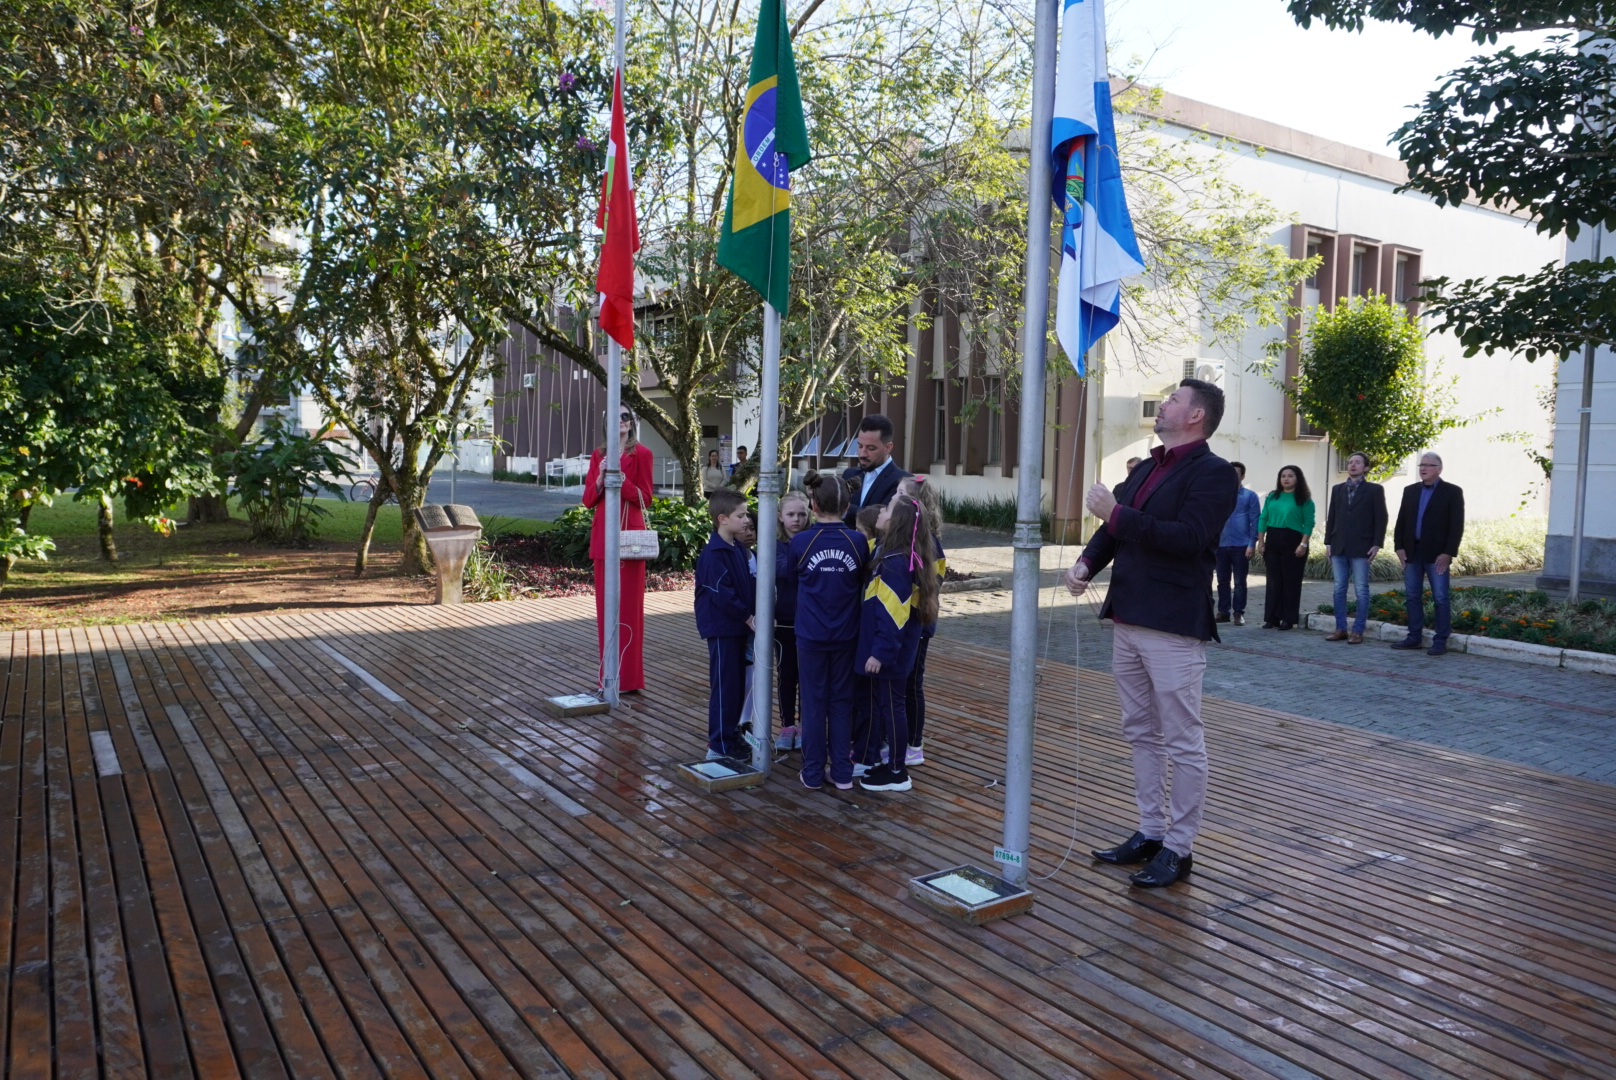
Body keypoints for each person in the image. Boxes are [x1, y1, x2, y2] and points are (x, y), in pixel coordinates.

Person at [1063, 378, 1237, 888]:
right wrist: (1086, 563)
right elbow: (1111, 529)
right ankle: (1151, 832)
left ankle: (1179, 849)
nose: (1163, 405)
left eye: (1174, 400)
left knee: (1182, 740)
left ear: (1196, 416)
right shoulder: (1148, 466)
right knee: (1140, 732)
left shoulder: (1214, 473)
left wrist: (1115, 513)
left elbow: (1188, 539)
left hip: (1173, 624)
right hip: (1128, 618)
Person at [857, 492, 939, 793]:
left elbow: (893, 615)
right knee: (891, 706)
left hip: (891, 655)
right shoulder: (899, 556)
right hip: (894, 652)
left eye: (887, 509)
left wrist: (880, 653)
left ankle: (897, 771)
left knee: (893, 708)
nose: (880, 511)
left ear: (895, 522)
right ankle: (892, 763)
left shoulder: (895, 564)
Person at [789, 473, 866, 789]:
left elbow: (792, 581)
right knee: (842, 702)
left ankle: (812, 773)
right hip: (847, 634)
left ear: (813, 505)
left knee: (813, 703)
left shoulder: (800, 542)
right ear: (847, 507)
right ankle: (843, 773)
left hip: (810, 636)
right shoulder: (858, 542)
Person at [582, 407, 655, 693]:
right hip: (603, 537)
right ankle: (609, 676)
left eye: (626, 416)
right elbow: (588, 500)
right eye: (616, 416)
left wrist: (620, 480)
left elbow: (645, 498)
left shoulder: (642, 454)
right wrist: (601, 477)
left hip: (630, 539)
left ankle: (630, 679)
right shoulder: (598, 455)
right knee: (605, 610)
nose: (621, 421)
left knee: (630, 608)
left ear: (633, 422)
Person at [695, 490, 755, 759]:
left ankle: (730, 736)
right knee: (724, 686)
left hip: (737, 628)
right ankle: (718, 744)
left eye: (746, 514)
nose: (746, 520)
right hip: (722, 629)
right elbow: (722, 594)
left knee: (736, 685)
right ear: (722, 519)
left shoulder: (737, 549)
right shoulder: (713, 554)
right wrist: (748, 616)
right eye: (740, 516)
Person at [1392, 452, 1465, 656]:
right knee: (1412, 596)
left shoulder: (1452, 492)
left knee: (1440, 597)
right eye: (1421, 465)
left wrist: (1448, 552)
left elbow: (1456, 525)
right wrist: (1399, 547)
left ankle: (1440, 640)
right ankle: (1414, 637)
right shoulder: (1410, 491)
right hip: (1412, 553)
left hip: (1437, 555)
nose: (1423, 468)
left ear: (1439, 469)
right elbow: (1401, 521)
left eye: (1428, 465)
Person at [897, 475, 945, 767]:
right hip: (906, 624)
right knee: (904, 683)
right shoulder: (909, 539)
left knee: (912, 683)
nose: (893, 498)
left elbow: (931, 585)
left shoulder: (929, 544)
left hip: (918, 624)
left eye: (899, 494)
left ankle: (914, 744)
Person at [1324, 452, 1388, 644]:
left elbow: (1381, 518)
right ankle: (1340, 628)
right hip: (1339, 546)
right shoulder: (1337, 489)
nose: (1352, 465)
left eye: (1357, 462)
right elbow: (1332, 517)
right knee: (1339, 588)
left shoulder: (1374, 490)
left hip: (1362, 547)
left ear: (1365, 467)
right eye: (1350, 462)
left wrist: (1377, 544)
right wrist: (1328, 542)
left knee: (1361, 589)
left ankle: (1358, 631)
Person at [772, 492, 811, 751]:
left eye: (801, 514)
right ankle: (787, 724)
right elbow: (783, 570)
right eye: (790, 514)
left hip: (809, 620)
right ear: (780, 516)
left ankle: (806, 724)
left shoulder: (813, 539)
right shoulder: (775, 544)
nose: (796, 519)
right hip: (784, 620)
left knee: (808, 675)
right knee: (786, 674)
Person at [1257, 465, 1314, 630]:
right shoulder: (1272, 497)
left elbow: (1309, 523)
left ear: (1298, 478)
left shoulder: (1304, 499)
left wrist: (1303, 544)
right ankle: (1271, 618)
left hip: (1294, 541)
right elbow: (1263, 518)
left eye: (1290, 476)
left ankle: (1288, 619)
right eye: (1283, 476)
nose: (1286, 479)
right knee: (1273, 581)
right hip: (1273, 539)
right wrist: (1261, 541)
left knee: (1291, 581)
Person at [841, 414, 911, 526]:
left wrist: (841, 505)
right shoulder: (849, 474)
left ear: (888, 447)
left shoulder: (903, 481)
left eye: (871, 448)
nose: (862, 454)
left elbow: (881, 519)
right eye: (860, 446)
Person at [1215, 462, 1260, 626]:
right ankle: (1223, 612)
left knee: (1240, 582)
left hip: (1241, 545)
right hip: (1221, 545)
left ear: (1243, 476)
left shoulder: (1250, 496)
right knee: (1222, 581)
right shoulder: (1219, 494)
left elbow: (1255, 521)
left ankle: (1238, 613)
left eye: (1235, 473)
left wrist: (1252, 543)